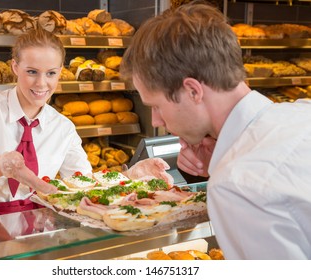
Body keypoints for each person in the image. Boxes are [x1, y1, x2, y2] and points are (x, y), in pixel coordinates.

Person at [120, 0, 311, 259]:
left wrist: (226, 167)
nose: (155, 121)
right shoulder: (302, 112)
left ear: (193, 91)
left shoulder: (237, 184)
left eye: (156, 106)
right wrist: (222, 158)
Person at [0, 27, 172, 222]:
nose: (41, 83)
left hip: (38, 222)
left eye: (51, 73)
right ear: (15, 67)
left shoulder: (63, 127)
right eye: (31, 72)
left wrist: (129, 177)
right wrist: (2, 164)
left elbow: (84, 183)